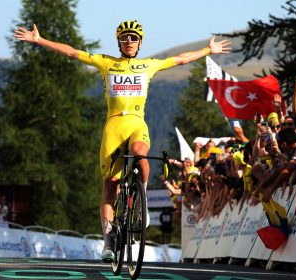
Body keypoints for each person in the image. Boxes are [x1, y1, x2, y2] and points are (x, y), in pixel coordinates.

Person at [14, 20, 231, 262]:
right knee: (110, 186)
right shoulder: (106, 63)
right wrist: (39, 40)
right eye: (125, 38)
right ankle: (108, 242)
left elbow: (180, 59)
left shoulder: (147, 65)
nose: (129, 42)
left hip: (137, 124)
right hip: (113, 128)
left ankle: (143, 201)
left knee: (141, 155)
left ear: (140, 43)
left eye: (134, 38)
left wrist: (208, 51)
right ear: (119, 42)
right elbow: (73, 53)